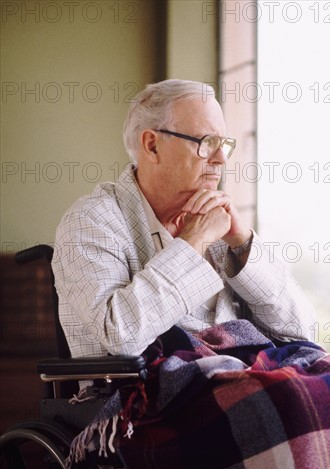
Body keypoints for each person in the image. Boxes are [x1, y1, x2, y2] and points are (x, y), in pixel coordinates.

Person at [52, 79, 315, 359]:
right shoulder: (91, 220)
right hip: (152, 395)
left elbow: (302, 330)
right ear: (152, 145)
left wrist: (242, 244)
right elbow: (121, 335)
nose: (220, 160)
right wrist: (194, 241)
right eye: (206, 143)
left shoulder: (221, 227)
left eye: (223, 144)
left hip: (245, 380)